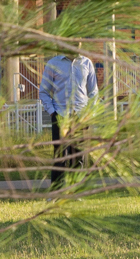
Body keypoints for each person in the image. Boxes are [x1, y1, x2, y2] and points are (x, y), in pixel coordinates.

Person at [40, 52, 99, 187]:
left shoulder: (86, 63)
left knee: (79, 156)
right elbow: (43, 91)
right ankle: (57, 191)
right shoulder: (53, 64)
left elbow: (93, 92)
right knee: (60, 156)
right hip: (60, 115)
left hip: (80, 116)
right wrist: (52, 113)